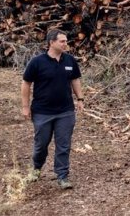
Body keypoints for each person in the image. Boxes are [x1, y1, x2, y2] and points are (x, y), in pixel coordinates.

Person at [21, 29, 84, 189]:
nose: (65, 44)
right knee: (41, 145)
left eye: (66, 41)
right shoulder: (37, 62)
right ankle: (35, 170)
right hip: (42, 112)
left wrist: (80, 99)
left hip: (65, 111)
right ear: (51, 43)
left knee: (63, 145)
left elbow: (75, 80)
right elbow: (26, 83)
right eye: (62, 41)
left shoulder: (70, 60)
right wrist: (25, 107)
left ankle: (62, 176)